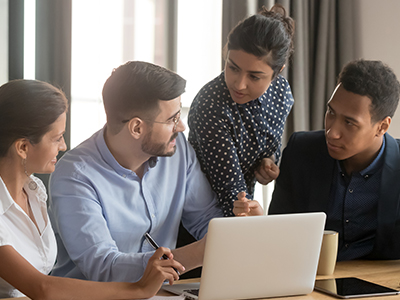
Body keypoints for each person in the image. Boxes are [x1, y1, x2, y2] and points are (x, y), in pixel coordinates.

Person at [0, 79, 184, 299]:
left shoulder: (34, 190)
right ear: (22, 147)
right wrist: (139, 289)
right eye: (57, 138)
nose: (63, 146)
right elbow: (42, 288)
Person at [48, 61, 224, 283]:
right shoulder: (74, 176)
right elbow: (103, 268)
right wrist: (202, 252)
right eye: (172, 119)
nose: (181, 128)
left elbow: (206, 219)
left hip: (163, 294)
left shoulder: (178, 150)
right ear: (137, 127)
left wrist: (240, 230)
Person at [235, 59, 400, 261]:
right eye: (331, 112)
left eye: (349, 122)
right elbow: (281, 237)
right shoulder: (301, 151)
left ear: (382, 127)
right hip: (309, 281)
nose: (332, 132)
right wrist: (260, 224)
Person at [187, 4, 295, 217]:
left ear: (278, 71)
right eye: (233, 68)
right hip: (200, 217)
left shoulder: (281, 93)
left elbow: (269, 146)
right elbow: (232, 193)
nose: (239, 84)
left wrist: (268, 161)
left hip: (240, 213)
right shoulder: (210, 105)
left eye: (254, 76)